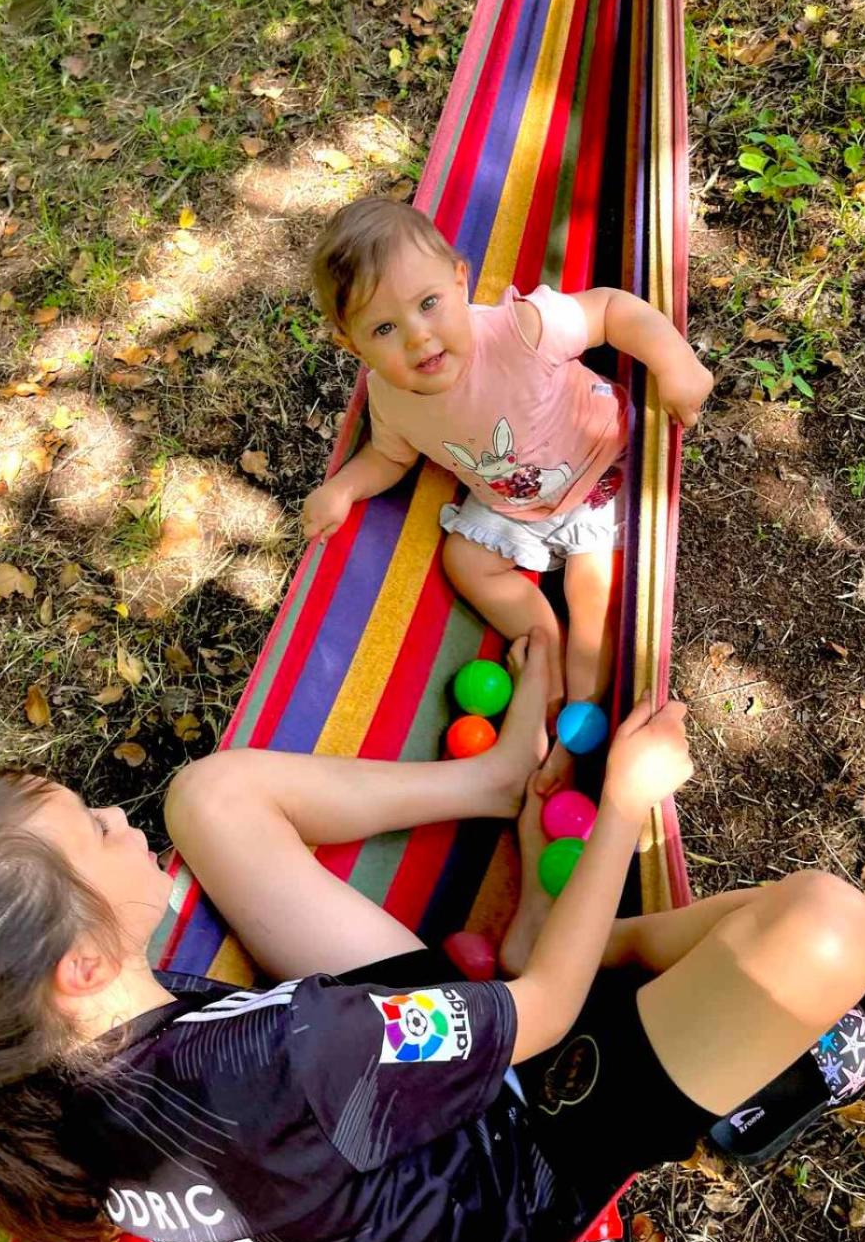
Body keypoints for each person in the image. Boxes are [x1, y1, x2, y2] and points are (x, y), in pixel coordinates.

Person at [0, 635, 865, 1242]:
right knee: (829, 928)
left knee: (208, 799)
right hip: (514, 1172)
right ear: (78, 964)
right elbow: (546, 1012)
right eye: (97, 830)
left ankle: (492, 783)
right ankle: (743, 1057)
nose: (119, 814)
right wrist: (624, 802)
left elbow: (304, 1068)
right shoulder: (297, 1051)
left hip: (353, 1124)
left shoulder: (10, 1069)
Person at [302, 198, 714, 797]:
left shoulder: (517, 331)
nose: (418, 337)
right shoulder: (389, 396)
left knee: (590, 596)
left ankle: (576, 729)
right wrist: (343, 487)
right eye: (384, 329)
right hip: (512, 503)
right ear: (352, 345)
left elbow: (609, 310)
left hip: (597, 472)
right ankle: (545, 662)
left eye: (428, 304)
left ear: (459, 279)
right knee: (464, 561)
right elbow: (390, 457)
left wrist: (675, 362)